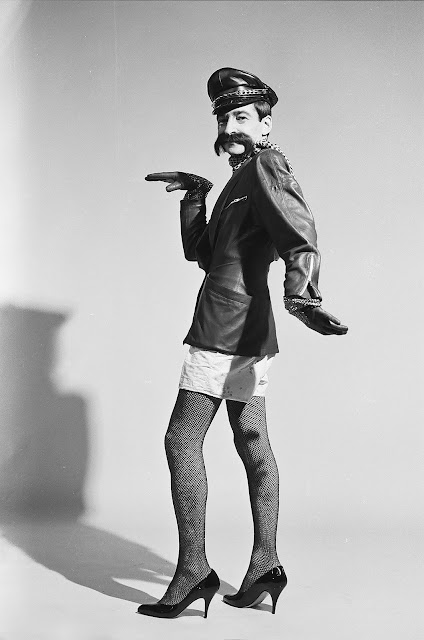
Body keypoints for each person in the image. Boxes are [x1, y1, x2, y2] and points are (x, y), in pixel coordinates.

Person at [137, 67, 348, 620]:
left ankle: (193, 572)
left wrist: (303, 296)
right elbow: (204, 255)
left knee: (182, 439)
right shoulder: (238, 182)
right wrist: (196, 196)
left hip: (223, 328)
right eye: (222, 119)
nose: (228, 127)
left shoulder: (265, 167)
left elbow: (299, 230)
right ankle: (265, 566)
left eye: (240, 117)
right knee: (252, 438)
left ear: (264, 124)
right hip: (248, 329)